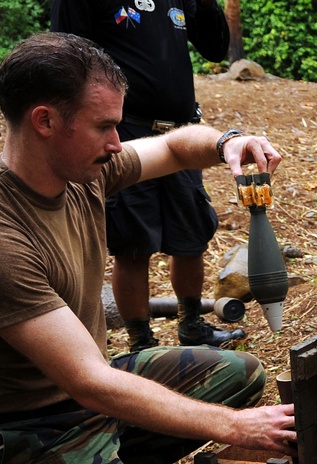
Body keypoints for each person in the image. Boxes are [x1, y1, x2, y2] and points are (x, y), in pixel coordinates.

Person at [0, 32, 293, 464]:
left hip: (88, 397)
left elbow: (178, 148)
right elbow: (89, 381)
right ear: (44, 121)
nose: (118, 141)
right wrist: (234, 428)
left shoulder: (81, 170)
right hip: (32, 434)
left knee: (241, 373)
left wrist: (227, 143)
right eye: (104, 125)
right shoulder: (6, 237)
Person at [51, 0, 246, 352]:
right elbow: (66, 56)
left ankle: (192, 324)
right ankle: (142, 343)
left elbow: (215, 48)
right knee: (132, 245)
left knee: (191, 237)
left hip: (181, 133)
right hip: (123, 135)